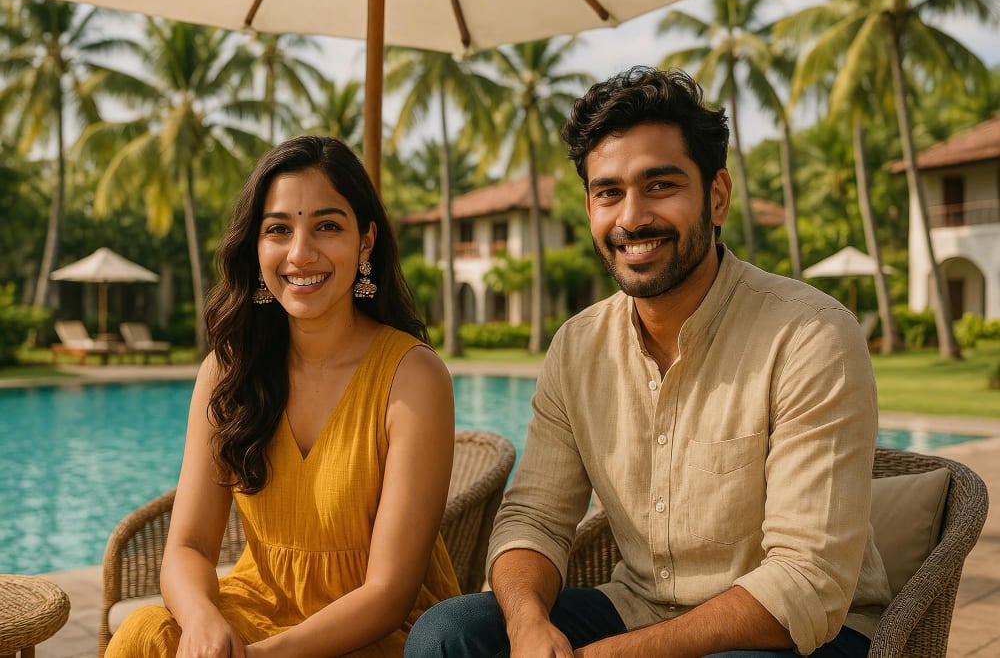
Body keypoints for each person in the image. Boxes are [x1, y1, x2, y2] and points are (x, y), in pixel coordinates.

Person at [405, 67, 892, 657]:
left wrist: (606, 655)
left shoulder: (809, 336)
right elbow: (535, 515)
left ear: (716, 196)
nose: (631, 217)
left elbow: (806, 580)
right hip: (636, 607)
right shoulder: (577, 347)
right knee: (447, 634)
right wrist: (528, 623)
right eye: (608, 192)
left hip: (797, 634)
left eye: (660, 186)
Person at [106, 135, 461, 658]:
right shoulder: (229, 371)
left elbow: (388, 594)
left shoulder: (412, 378)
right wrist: (203, 622)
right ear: (256, 246)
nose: (300, 253)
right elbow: (187, 547)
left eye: (327, 226)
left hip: (377, 633)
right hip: (258, 610)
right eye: (278, 229)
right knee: (145, 634)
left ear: (365, 242)